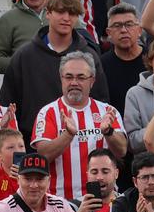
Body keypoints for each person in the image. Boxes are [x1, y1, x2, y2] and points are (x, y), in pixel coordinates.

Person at [0, 0, 110, 137]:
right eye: (60, 11)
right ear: (48, 13)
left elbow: (101, 104)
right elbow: (7, 105)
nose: (66, 17)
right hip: (32, 144)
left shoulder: (89, 55)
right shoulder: (24, 56)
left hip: (81, 142)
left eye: (72, 13)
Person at [31, 50, 128, 202]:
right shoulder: (48, 112)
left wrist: (108, 132)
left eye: (81, 77)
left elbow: (122, 150)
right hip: (61, 201)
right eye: (69, 77)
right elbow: (43, 155)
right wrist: (68, 135)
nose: (74, 82)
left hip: (102, 199)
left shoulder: (107, 111)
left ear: (92, 81)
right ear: (61, 79)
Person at [100, 3, 146, 116]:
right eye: (117, 25)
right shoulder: (101, 64)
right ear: (109, 33)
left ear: (139, 30)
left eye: (129, 24)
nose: (124, 30)